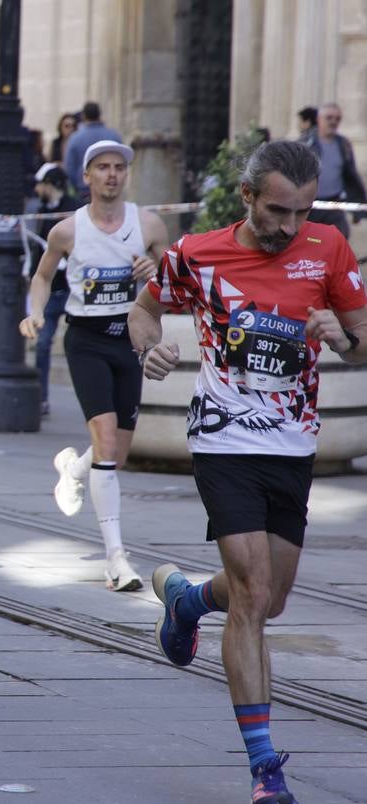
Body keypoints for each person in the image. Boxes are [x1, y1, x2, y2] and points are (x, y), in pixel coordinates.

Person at [129, 139, 367, 804]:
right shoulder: (197, 254)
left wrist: (338, 335)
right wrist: (148, 349)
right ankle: (265, 768)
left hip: (292, 445)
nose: (289, 226)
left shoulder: (327, 251)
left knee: (268, 599)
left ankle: (186, 600)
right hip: (223, 437)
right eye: (275, 212)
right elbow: (143, 310)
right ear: (246, 197)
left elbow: (363, 338)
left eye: (301, 212)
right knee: (255, 594)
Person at [18, 140, 167, 592]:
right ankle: (116, 558)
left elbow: (174, 279)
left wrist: (153, 272)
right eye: (102, 167)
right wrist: (36, 312)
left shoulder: (149, 224)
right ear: (87, 176)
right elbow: (43, 275)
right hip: (85, 340)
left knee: (114, 456)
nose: (111, 175)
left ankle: (74, 470)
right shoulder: (68, 230)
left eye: (119, 167)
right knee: (104, 440)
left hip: (129, 341)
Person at [27, 164, 82, 415]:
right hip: (52, 290)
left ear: (51, 183)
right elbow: (41, 257)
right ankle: (40, 398)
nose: (37, 189)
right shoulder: (42, 211)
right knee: (42, 344)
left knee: (82, 347)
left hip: (75, 290)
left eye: (40, 183)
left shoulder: (75, 209)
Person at [301, 102, 365, 238]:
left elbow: (351, 177)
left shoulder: (344, 145)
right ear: (319, 119)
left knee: (339, 239)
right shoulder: (306, 143)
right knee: (307, 241)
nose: (333, 122)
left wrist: (357, 208)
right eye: (329, 118)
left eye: (337, 118)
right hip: (309, 205)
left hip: (334, 204)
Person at [62, 101, 123, 193]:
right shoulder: (114, 135)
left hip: (84, 189)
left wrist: (76, 186)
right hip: (110, 188)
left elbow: (70, 168)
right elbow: (121, 162)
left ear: (83, 116)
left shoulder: (75, 138)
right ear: (99, 115)